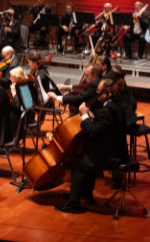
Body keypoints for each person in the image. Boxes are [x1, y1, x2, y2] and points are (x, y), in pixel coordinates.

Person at [55, 77, 130, 214]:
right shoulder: (116, 106)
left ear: (106, 94)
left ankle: (74, 204)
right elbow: (107, 127)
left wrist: (84, 116)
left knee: (77, 163)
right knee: (86, 154)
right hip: (119, 151)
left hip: (111, 156)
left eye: (99, 91)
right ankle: (85, 194)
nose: (96, 93)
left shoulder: (106, 111)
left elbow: (93, 133)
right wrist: (93, 120)